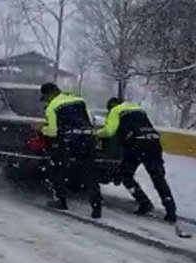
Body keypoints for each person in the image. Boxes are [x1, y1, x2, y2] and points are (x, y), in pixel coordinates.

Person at [97, 98, 177, 223]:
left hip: (136, 144)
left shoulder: (116, 110)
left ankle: (144, 202)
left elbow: (109, 131)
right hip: (153, 141)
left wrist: (96, 133)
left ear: (111, 107)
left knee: (125, 174)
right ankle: (171, 210)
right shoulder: (139, 109)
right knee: (158, 177)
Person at [40, 83, 103, 219]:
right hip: (87, 137)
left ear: (49, 94)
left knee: (57, 168)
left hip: (69, 140)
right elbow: (90, 120)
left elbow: (53, 131)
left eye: (45, 97)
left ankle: (61, 200)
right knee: (90, 171)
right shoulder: (79, 100)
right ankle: (96, 205)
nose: (46, 100)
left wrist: (41, 129)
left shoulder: (52, 107)